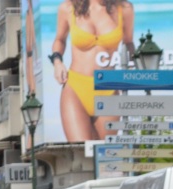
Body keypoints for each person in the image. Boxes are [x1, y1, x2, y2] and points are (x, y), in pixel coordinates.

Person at [50, 0, 135, 142]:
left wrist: (135, 63)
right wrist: (57, 62)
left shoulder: (124, 8)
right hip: (76, 88)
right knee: (81, 153)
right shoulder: (68, 8)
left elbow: (129, 43)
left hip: (108, 88)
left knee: (103, 154)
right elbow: (60, 39)